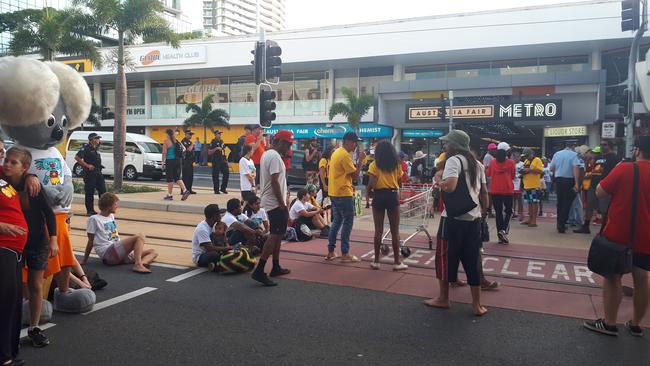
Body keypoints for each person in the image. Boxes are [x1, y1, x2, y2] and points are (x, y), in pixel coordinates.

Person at [583, 136, 650, 337]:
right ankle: (637, 324)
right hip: (646, 235)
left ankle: (610, 323)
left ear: (637, 150)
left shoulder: (625, 168)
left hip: (619, 232)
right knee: (642, 278)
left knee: (613, 277)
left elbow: (600, 191)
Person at [424, 130, 488, 316]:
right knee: (472, 260)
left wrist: (438, 180)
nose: (445, 146)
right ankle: (477, 305)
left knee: (444, 258)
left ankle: (443, 298)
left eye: (447, 143)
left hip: (452, 219)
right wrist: (483, 212)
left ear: (454, 145)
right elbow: (484, 192)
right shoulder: (478, 164)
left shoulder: (453, 161)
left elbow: (450, 186)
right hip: (473, 219)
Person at [2, 147, 56, 347]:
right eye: (6, 160)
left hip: (36, 242)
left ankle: (34, 327)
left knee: (35, 285)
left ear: (24, 167)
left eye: (13, 162)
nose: (7, 164)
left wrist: (54, 239)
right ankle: (10, 329)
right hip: (12, 244)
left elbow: (49, 214)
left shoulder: (32, 185)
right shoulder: (3, 182)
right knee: (14, 287)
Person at [251, 130, 294, 286]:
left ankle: (275, 266)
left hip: (272, 201)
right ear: (280, 142)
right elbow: (275, 181)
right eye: (287, 144)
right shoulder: (275, 156)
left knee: (279, 233)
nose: (288, 148)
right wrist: (282, 204)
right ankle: (259, 269)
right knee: (275, 235)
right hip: (275, 202)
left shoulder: (268, 154)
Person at [82, 193, 158, 273]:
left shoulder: (111, 216)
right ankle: (138, 265)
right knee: (140, 236)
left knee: (153, 252)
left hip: (118, 252)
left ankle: (143, 263)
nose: (117, 206)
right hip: (108, 253)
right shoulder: (94, 219)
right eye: (115, 204)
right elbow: (90, 241)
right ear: (109, 206)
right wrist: (84, 260)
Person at [0, 156, 29, 366]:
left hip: (14, 250)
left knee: (13, 303)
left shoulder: (3, 177)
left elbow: (21, 171)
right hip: (2, 246)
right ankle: (3, 357)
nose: (4, 160)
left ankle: (9, 351)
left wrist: (32, 176)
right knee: (4, 303)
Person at [367, 140, 408, 271]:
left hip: (379, 196)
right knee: (395, 231)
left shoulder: (374, 165)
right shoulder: (397, 165)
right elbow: (400, 181)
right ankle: (397, 262)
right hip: (392, 196)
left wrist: (371, 193)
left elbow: (372, 183)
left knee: (378, 230)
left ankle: (376, 261)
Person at [326, 131, 366, 262]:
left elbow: (343, 175)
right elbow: (355, 176)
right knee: (347, 221)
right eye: (355, 142)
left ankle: (331, 251)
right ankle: (345, 253)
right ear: (348, 141)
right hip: (343, 193)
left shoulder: (336, 152)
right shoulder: (344, 155)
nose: (355, 146)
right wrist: (360, 161)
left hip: (334, 192)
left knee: (337, 221)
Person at [575, 141, 620, 234]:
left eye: (605, 144)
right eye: (601, 145)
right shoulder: (598, 157)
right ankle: (586, 226)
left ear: (610, 146)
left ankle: (605, 230)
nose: (602, 146)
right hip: (593, 185)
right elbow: (592, 169)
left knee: (604, 209)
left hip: (605, 186)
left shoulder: (614, 158)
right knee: (589, 207)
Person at [549, 142, 581, 233]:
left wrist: (558, 172)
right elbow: (576, 168)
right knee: (567, 203)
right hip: (569, 180)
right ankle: (562, 223)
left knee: (560, 202)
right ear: (573, 146)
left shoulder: (557, 154)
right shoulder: (574, 155)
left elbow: (551, 168)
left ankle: (559, 222)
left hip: (559, 179)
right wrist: (576, 183)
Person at [486, 142, 515, 244]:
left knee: (498, 212)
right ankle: (503, 231)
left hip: (495, 190)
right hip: (507, 190)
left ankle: (500, 235)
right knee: (509, 211)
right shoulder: (511, 163)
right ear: (507, 151)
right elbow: (513, 176)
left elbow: (488, 174)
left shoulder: (493, 162)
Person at [75, 132, 106, 215]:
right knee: (90, 192)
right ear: (92, 140)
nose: (98, 140)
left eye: (99, 138)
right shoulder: (86, 148)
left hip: (98, 172)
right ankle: (90, 210)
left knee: (103, 191)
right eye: (97, 138)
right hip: (89, 173)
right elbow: (77, 157)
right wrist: (87, 165)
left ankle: (104, 209)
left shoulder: (96, 148)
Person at [191, 204, 228, 268]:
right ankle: (216, 265)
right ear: (214, 216)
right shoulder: (202, 229)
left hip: (212, 250)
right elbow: (210, 248)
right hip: (201, 257)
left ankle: (214, 265)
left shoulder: (214, 225)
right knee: (215, 255)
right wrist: (228, 248)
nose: (221, 216)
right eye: (219, 214)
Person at [161, 129, 190, 201]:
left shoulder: (166, 141)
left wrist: (162, 162)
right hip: (178, 161)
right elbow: (184, 149)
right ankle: (185, 190)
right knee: (177, 177)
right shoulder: (177, 141)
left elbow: (164, 153)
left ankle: (170, 195)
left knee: (169, 178)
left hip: (170, 161)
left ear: (167, 134)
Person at [520, 148, 544, 228]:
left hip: (534, 185)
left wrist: (529, 170)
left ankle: (534, 220)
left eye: (527, 155)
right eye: (525, 156)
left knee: (534, 202)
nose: (526, 157)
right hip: (527, 185)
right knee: (529, 203)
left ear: (531, 154)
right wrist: (522, 171)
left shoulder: (537, 160)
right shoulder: (526, 161)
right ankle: (530, 219)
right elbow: (525, 169)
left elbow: (541, 171)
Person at [208, 130, 229, 194]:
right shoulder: (213, 142)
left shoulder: (221, 141)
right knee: (215, 175)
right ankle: (216, 189)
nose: (220, 135)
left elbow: (223, 151)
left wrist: (226, 160)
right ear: (215, 134)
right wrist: (216, 149)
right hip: (216, 160)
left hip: (223, 160)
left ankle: (223, 188)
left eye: (220, 134)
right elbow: (209, 152)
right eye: (218, 134)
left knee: (226, 173)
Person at [180, 130, 196, 194]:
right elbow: (188, 150)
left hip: (190, 161)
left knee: (190, 176)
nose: (191, 135)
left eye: (191, 134)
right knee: (185, 176)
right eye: (190, 134)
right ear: (186, 134)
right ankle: (183, 190)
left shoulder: (189, 142)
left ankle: (189, 189)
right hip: (185, 161)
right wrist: (192, 145)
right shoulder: (183, 141)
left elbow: (192, 151)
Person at [511, 149, 524, 220]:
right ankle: (513, 213)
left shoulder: (522, 164)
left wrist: (520, 176)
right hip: (512, 184)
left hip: (519, 183)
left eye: (517, 157)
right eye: (514, 157)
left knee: (519, 199)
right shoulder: (511, 163)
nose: (516, 158)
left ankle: (521, 214)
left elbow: (524, 174)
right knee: (513, 199)